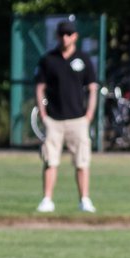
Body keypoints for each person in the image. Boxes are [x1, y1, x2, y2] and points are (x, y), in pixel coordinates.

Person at [34, 19, 98, 213]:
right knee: (50, 160)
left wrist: (89, 114)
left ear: (75, 37)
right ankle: (47, 199)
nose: (65, 37)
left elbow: (93, 88)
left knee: (81, 161)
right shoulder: (49, 59)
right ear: (57, 36)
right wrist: (43, 114)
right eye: (62, 34)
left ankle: (84, 200)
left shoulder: (83, 59)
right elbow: (39, 88)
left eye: (69, 34)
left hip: (78, 118)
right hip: (54, 118)